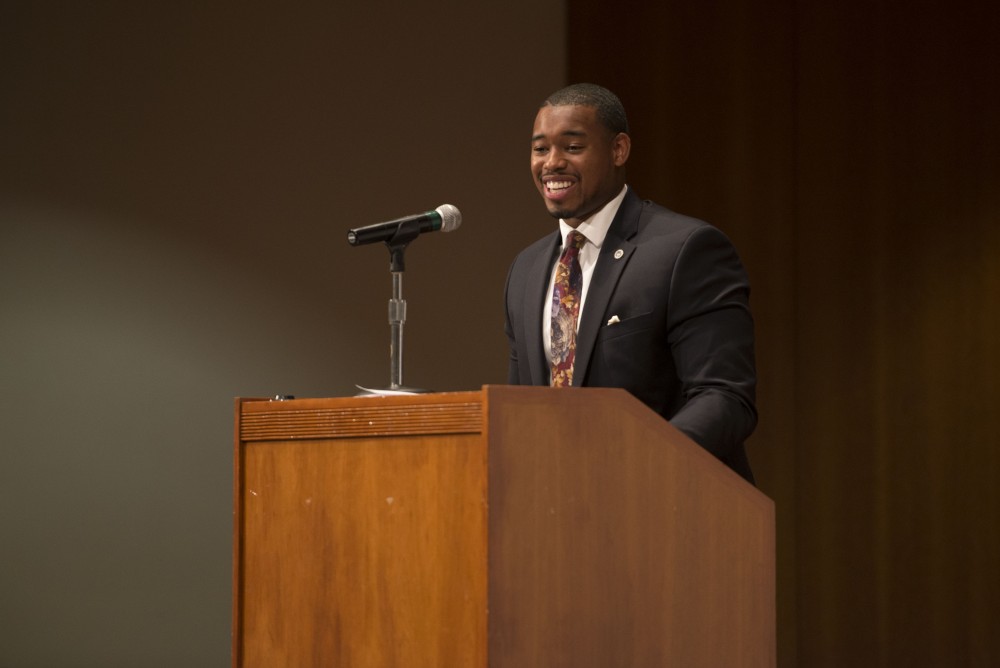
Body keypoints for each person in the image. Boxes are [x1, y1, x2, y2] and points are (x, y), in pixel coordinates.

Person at [504, 83, 757, 483]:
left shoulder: (685, 251)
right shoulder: (526, 269)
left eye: (572, 147)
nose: (552, 163)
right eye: (540, 149)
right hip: (556, 512)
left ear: (618, 150)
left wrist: (636, 467)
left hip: (667, 505)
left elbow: (724, 397)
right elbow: (522, 408)